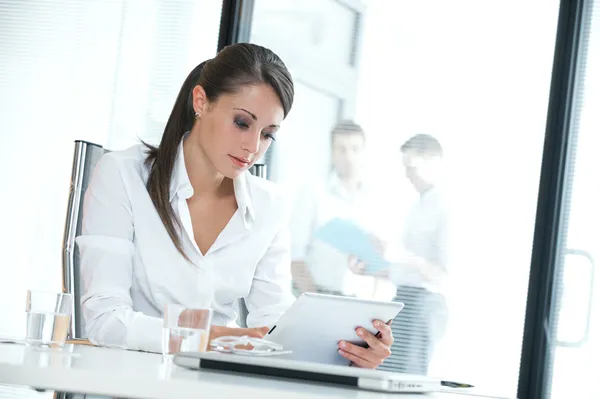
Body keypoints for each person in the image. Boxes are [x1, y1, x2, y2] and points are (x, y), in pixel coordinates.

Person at [76, 43, 392, 369]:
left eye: (268, 134)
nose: (253, 147)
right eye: (242, 123)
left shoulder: (269, 206)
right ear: (201, 101)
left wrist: (351, 352)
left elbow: (273, 321)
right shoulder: (123, 176)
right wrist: (212, 340)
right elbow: (105, 319)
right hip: (126, 383)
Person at [290, 121, 392, 298]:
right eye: (341, 149)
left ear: (364, 152)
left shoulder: (377, 200)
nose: (349, 157)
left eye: (355, 149)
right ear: (332, 152)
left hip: (361, 301)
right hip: (320, 295)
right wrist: (315, 300)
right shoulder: (313, 193)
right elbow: (294, 256)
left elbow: (382, 265)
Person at [375, 134, 449, 374]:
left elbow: (443, 276)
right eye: (405, 167)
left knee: (409, 376)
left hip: (425, 305)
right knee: (393, 372)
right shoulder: (418, 205)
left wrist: (402, 255)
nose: (407, 174)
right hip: (404, 298)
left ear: (434, 161)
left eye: (412, 167)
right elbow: (408, 268)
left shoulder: (446, 208)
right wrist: (374, 268)